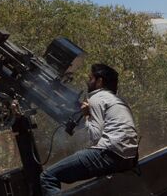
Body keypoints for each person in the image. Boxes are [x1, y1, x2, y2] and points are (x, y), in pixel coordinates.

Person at [40, 63, 139, 195]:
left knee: (47, 177)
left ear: (99, 81)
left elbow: (96, 136)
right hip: (129, 158)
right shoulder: (117, 100)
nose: (88, 81)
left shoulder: (97, 98)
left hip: (109, 154)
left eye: (90, 78)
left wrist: (87, 115)